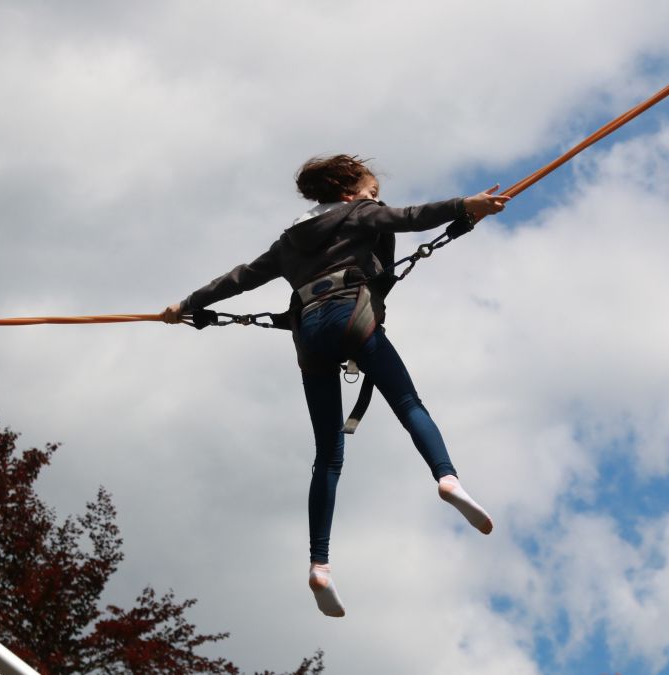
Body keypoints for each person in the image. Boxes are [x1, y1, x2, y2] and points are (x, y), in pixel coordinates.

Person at [162, 155, 508, 617]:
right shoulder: (360, 213)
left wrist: (186, 304)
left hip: (308, 330)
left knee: (327, 454)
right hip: (352, 315)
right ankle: (447, 479)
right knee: (407, 402)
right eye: (370, 192)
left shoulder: (287, 243)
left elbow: (239, 279)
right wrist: (467, 205)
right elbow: (410, 218)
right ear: (349, 193)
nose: (375, 200)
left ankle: (319, 565)